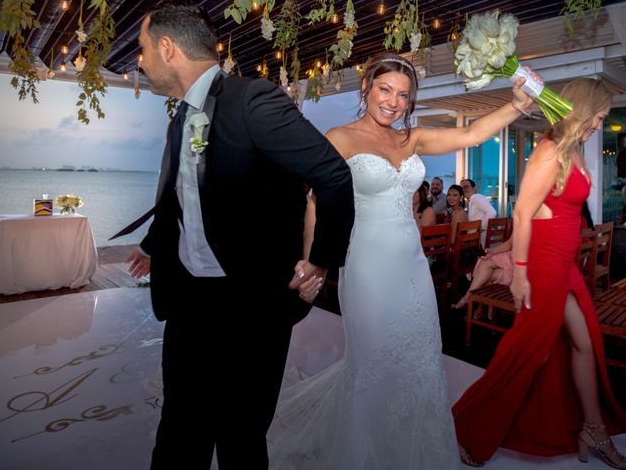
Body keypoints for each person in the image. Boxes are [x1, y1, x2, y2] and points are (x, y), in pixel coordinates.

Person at [267, 53, 537, 469]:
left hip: (412, 269)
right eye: (385, 89)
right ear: (366, 89)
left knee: (419, 361)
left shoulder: (411, 138)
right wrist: (311, 263)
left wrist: (516, 104)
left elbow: (472, 136)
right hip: (366, 269)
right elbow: (315, 207)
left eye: (403, 95)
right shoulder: (340, 138)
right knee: (373, 364)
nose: (393, 102)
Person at [117, 1, 355, 469]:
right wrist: (154, 245)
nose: (139, 60)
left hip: (250, 309)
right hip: (189, 304)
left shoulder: (253, 101)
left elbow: (333, 175)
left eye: (142, 48)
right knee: (179, 432)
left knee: (241, 440)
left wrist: (321, 260)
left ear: (168, 48)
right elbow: (180, 198)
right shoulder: (178, 120)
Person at [453, 78, 626, 467]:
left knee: (584, 342)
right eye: (598, 116)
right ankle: (469, 426)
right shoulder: (549, 151)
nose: (599, 123)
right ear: (581, 109)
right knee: (527, 350)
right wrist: (520, 272)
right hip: (545, 263)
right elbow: (521, 212)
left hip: (565, 265)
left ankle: (592, 429)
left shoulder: (572, 150)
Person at [460, 178, 496, 247]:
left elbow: (492, 212)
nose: (464, 189)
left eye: (466, 187)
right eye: (462, 188)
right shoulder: (472, 200)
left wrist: (480, 229)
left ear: (474, 188)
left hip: (479, 240)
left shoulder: (476, 197)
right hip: (476, 239)